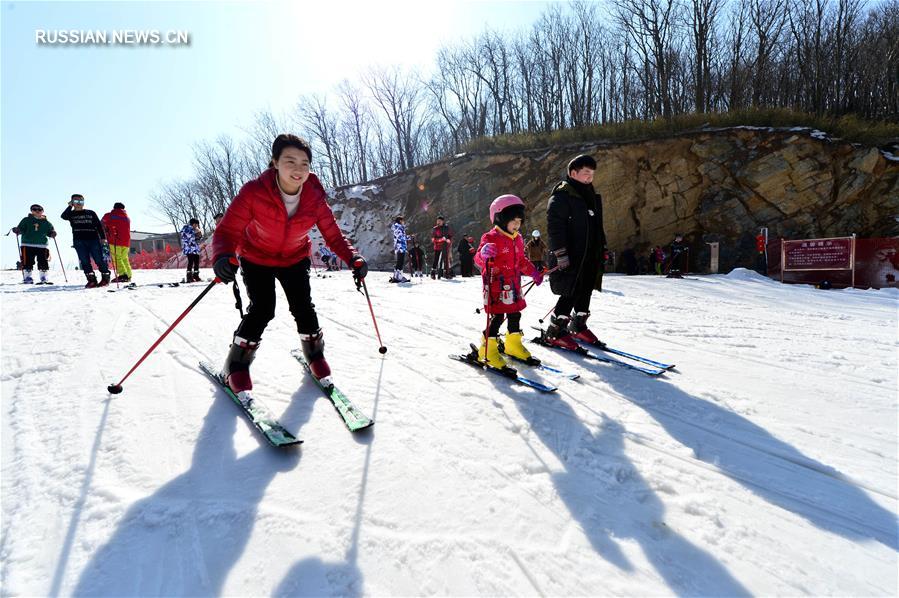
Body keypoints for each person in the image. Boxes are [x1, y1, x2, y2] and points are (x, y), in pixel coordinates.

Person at [211, 134, 368, 393]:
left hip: (294, 258)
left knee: (304, 307)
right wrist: (221, 256)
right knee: (262, 309)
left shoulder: (314, 197)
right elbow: (228, 230)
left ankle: (316, 357)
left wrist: (353, 257)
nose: (298, 169)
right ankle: (235, 367)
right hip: (256, 256)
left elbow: (332, 234)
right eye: (290, 161)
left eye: (305, 163)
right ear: (274, 162)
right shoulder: (253, 192)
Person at [543, 154, 607, 349]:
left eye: (592, 174)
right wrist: (560, 253)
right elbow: (555, 227)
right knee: (571, 289)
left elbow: (597, 226)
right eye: (586, 173)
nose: (590, 178)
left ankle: (578, 325)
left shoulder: (590, 196)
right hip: (571, 253)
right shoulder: (563, 195)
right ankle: (555, 330)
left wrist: (602, 247)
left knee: (586, 287)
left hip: (590, 252)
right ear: (573, 173)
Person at [473, 195, 544, 368]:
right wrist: (483, 254)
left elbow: (521, 261)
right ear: (500, 218)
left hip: (514, 286)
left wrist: (534, 272)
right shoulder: (490, 237)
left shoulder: (518, 239)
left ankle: (513, 344)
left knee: (515, 314)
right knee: (497, 317)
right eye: (513, 221)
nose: (517, 225)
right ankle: (487, 350)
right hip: (496, 287)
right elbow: (478, 259)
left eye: (519, 221)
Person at [61, 194, 111, 288]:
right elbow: (63, 216)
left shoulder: (91, 213)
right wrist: (69, 206)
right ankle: (91, 280)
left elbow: (99, 226)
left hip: (94, 240)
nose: (79, 203)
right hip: (79, 241)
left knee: (99, 259)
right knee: (84, 261)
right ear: (72, 203)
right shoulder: (71, 214)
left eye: (81, 201)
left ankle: (105, 278)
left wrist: (103, 238)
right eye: (76, 201)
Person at [13, 204, 56, 284]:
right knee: (27, 261)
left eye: (39, 210)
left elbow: (50, 231)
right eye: (34, 209)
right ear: (31, 211)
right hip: (27, 244)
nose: (37, 211)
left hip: (42, 245)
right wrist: (18, 230)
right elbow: (21, 229)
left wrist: (52, 233)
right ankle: (27, 277)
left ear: (42, 211)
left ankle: (44, 277)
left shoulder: (46, 222)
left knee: (43, 261)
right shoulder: (26, 220)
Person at [101, 202, 132, 282]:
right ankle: (128, 275)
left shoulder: (109, 215)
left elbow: (101, 224)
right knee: (124, 258)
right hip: (126, 242)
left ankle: (122, 275)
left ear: (114, 208)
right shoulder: (127, 217)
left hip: (115, 240)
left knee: (116, 258)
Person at [180, 218, 203, 282]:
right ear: (193, 224)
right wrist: (196, 235)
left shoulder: (194, 229)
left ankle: (196, 275)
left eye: (197, 225)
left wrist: (199, 236)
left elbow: (196, 238)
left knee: (196, 261)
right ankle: (189, 276)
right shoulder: (187, 229)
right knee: (190, 262)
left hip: (195, 248)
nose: (196, 226)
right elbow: (188, 237)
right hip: (189, 249)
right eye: (196, 224)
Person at [391, 216, 411, 283]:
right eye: (403, 221)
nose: (403, 222)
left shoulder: (396, 227)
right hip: (401, 247)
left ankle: (396, 276)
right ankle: (399, 277)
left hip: (398, 246)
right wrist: (409, 237)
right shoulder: (399, 227)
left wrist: (408, 237)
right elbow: (401, 237)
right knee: (400, 262)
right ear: (400, 221)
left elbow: (400, 236)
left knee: (399, 262)